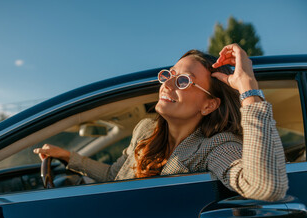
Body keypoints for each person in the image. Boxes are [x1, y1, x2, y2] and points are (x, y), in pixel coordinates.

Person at [33, 44, 288, 201]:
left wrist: (248, 88)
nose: (166, 84)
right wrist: (69, 157)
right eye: (169, 75)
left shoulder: (216, 147)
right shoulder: (145, 130)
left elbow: (266, 187)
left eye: (183, 81)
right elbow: (114, 176)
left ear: (209, 105)